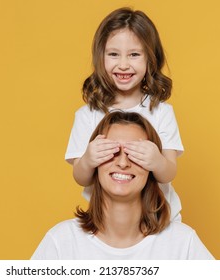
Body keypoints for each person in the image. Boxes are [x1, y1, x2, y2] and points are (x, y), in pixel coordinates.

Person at [33, 112, 213, 259]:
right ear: (94, 164)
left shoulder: (183, 243)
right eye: (111, 151)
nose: (123, 163)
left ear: (151, 169)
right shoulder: (61, 242)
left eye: (135, 153)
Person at [65, 7, 183, 221]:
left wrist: (156, 161)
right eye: (113, 54)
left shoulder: (161, 112)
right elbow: (81, 177)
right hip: (109, 223)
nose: (123, 65)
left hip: (159, 219)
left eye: (134, 55)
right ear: (100, 57)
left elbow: (169, 172)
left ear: (150, 59)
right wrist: (89, 159)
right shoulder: (87, 115)